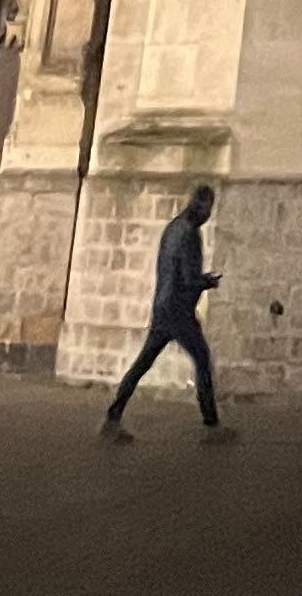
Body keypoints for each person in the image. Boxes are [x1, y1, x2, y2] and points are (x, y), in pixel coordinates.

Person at [99, 180, 237, 443]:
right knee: (202, 360)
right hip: (179, 310)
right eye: (209, 208)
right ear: (202, 205)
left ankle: (113, 417)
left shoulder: (173, 228)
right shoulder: (189, 234)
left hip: (163, 306)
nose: (209, 214)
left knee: (143, 363)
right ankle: (212, 426)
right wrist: (208, 281)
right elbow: (188, 278)